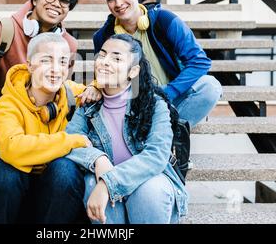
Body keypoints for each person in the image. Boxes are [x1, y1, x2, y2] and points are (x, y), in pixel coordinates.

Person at [0, 0, 100, 224]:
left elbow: (65, 84)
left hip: (42, 107)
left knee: (64, 172)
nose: (57, 3)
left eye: (65, 1)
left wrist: (96, 85)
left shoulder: (68, 43)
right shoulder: (2, 28)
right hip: (2, 103)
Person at [66, 34, 188, 224]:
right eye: (102, 55)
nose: (105, 62)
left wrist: (109, 182)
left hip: (148, 185)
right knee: (91, 182)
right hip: (105, 187)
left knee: (149, 190)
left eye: (116, 58)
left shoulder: (153, 105)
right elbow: (70, 140)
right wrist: (98, 159)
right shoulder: (88, 104)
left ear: (133, 71)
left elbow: (156, 155)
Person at [0, 33, 101, 224]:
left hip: (57, 197)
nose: (55, 69)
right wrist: (71, 140)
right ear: (29, 65)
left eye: (62, 62)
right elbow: (12, 148)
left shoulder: (72, 93)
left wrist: (96, 86)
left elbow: (108, 85)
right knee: (2, 174)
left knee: (65, 170)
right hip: (18, 191)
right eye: (46, 60)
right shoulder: (8, 103)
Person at [94, 0, 222, 128]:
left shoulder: (165, 20)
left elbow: (199, 62)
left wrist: (167, 93)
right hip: (131, 104)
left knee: (210, 87)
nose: (118, 3)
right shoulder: (104, 37)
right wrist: (95, 87)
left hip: (171, 97)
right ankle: (161, 135)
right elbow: (103, 78)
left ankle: (166, 134)